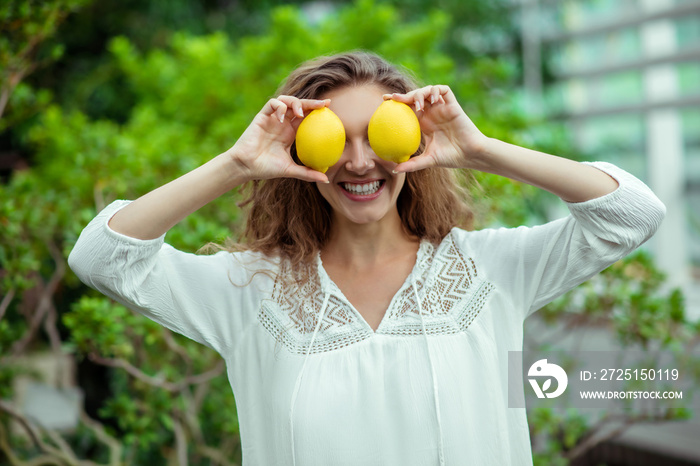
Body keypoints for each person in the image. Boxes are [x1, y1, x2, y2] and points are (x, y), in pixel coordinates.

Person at [68, 51, 665, 465]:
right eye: (336, 140)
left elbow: (632, 213)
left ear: (411, 141)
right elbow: (102, 257)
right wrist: (238, 163)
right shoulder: (248, 292)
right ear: (299, 153)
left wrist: (479, 149)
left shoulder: (491, 270)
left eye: (377, 137)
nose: (358, 162)